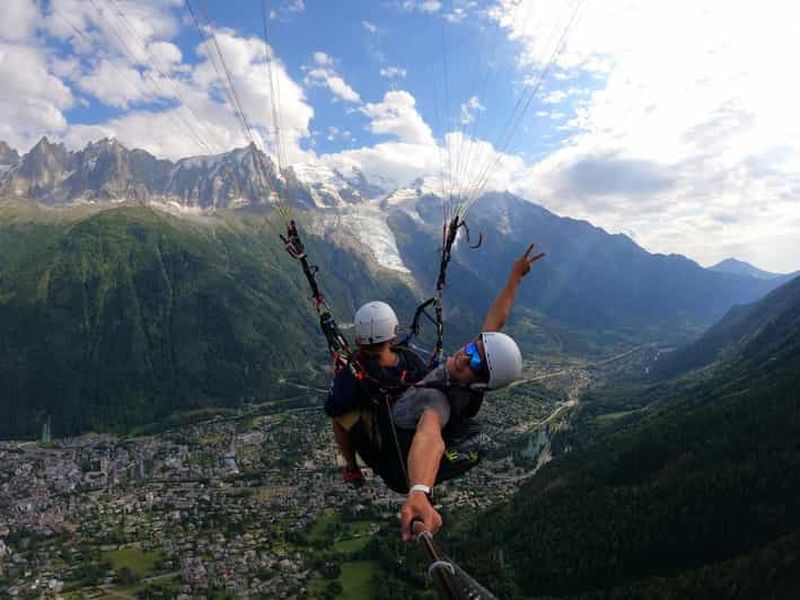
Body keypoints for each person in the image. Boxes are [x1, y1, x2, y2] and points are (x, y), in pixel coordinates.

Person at [398, 243, 544, 541]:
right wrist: (516, 276)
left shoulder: (439, 402)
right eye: (471, 347)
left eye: (474, 362)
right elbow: (495, 321)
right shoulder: (471, 377)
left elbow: (430, 435)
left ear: (479, 383)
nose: (464, 356)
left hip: (400, 411)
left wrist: (419, 491)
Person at [324, 300, 428, 486]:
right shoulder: (410, 359)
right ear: (393, 335)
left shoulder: (355, 372)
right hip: (414, 431)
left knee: (338, 418)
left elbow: (332, 407)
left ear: (358, 338)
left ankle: (352, 468)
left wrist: (340, 379)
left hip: (383, 442)